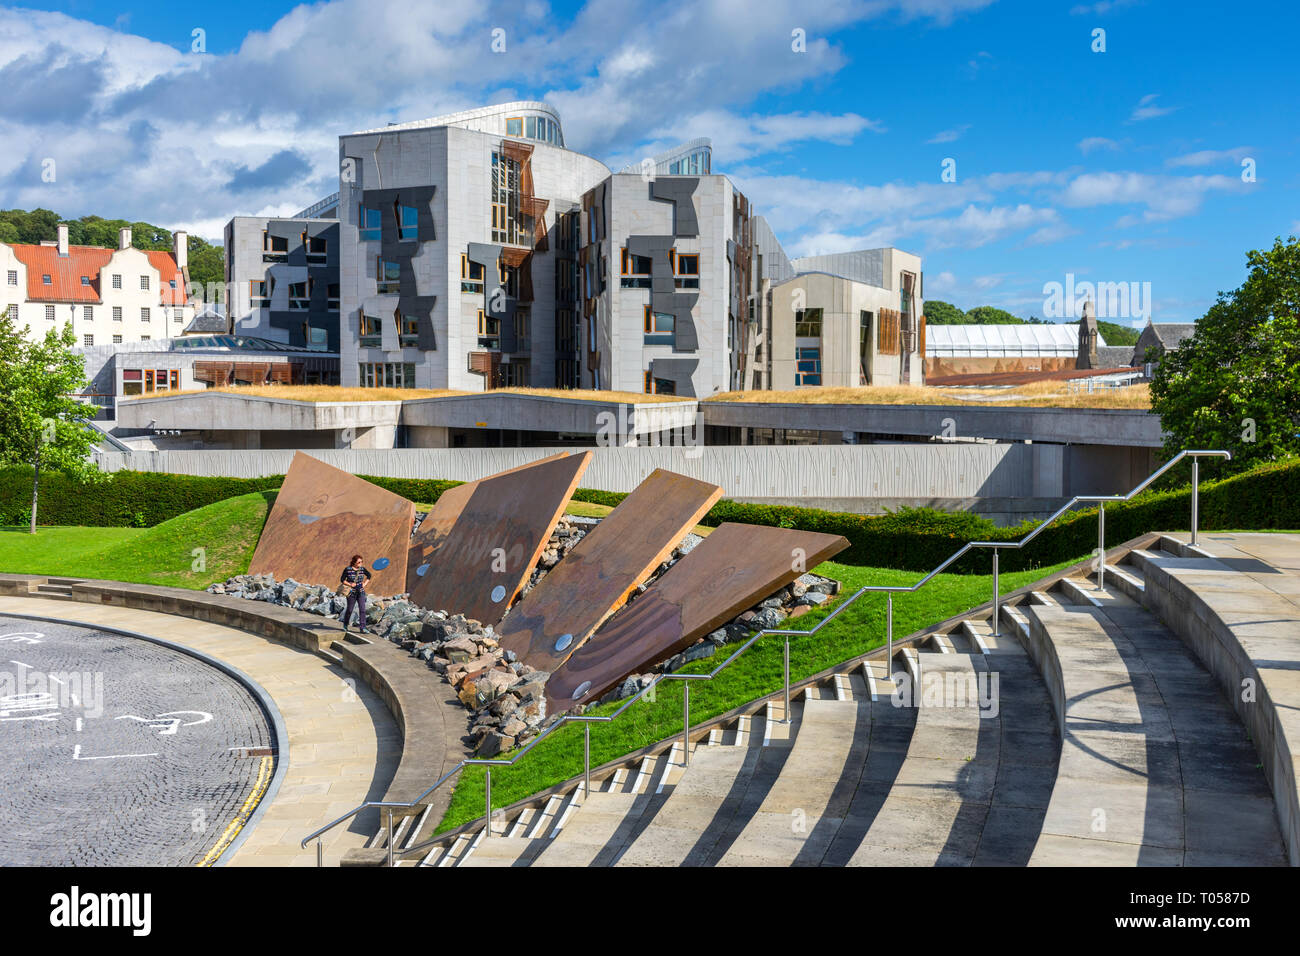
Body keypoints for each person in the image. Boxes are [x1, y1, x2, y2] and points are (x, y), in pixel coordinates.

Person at [339, 554, 373, 633]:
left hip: (361, 592)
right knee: (350, 610)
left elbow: (369, 575)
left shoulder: (362, 569)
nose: (361, 564)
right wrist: (350, 584)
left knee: (363, 610)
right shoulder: (348, 569)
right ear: (354, 562)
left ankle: (363, 627)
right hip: (351, 593)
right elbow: (342, 580)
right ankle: (345, 624)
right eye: (359, 562)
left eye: (361, 562)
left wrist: (364, 584)